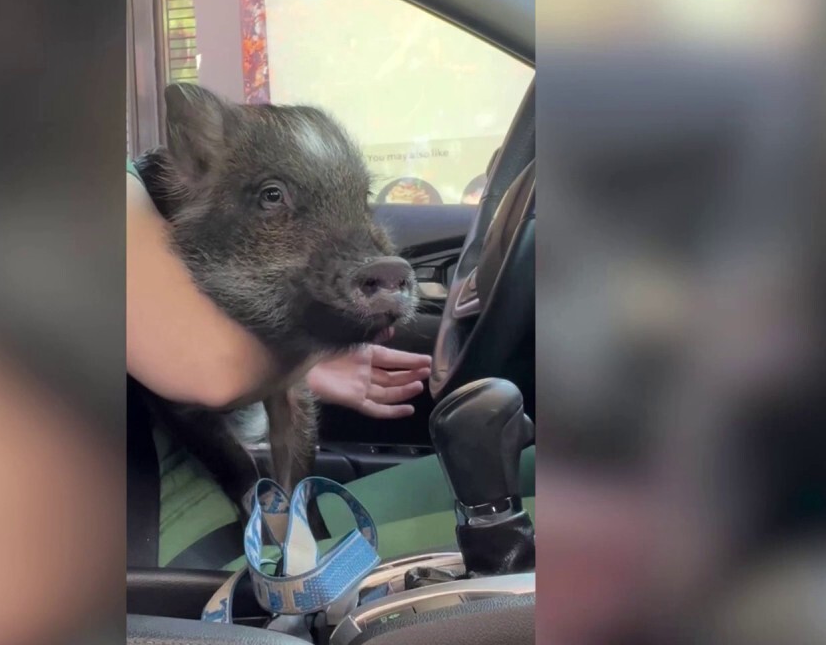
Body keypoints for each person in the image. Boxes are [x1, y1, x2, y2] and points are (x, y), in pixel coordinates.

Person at [127, 160, 535, 567]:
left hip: (228, 506)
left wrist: (299, 370)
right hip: (178, 542)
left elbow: (169, 340)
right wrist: (312, 353)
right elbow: (211, 373)